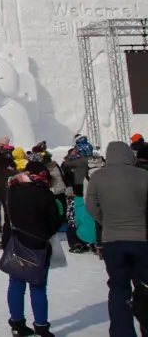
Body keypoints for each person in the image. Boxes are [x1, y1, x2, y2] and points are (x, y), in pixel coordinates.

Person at [86, 141, 148, 337]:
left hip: (112, 240)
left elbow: (90, 206)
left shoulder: (98, 177)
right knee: (145, 286)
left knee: (119, 288)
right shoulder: (144, 175)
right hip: (142, 239)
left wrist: (105, 221)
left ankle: (122, 332)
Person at [2, 161, 62, 337]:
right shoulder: (43, 193)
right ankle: (41, 327)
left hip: (16, 241)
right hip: (38, 244)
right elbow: (54, 222)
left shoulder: (12, 189)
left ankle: (17, 324)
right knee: (37, 286)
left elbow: (7, 219)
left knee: (16, 283)